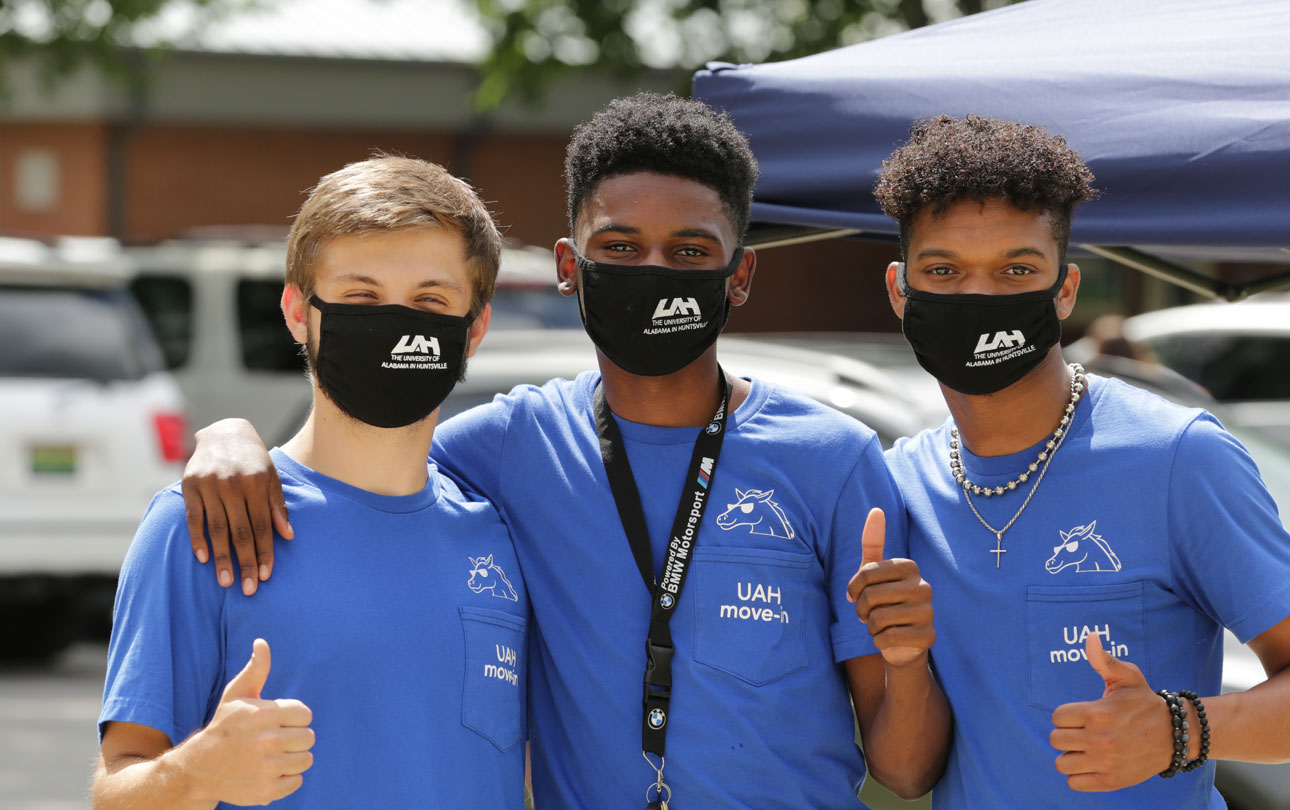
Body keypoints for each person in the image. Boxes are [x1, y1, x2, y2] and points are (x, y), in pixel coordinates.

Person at [177, 93, 950, 808]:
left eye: (688, 252)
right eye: (620, 246)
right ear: (567, 269)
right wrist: (230, 438)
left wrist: (911, 661)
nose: (652, 273)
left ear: (739, 274)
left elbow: (907, 771)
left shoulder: (834, 460)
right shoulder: (502, 452)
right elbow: (363, 463)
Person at [874, 115, 1290, 808]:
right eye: (944, 271)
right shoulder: (899, 487)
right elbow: (905, 775)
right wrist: (901, 665)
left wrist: (1179, 729)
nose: (980, 298)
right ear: (901, 291)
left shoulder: (1176, 457)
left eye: (1017, 269)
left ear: (1066, 288)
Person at [93, 156, 528, 809]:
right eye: (361, 297)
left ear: (476, 329)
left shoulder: (503, 534)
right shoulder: (204, 524)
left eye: (430, 301)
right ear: (299, 311)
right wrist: (196, 773)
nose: (397, 323)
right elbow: (115, 787)